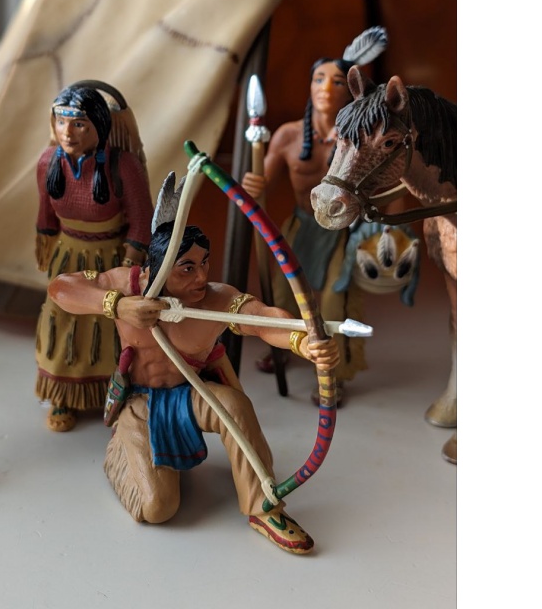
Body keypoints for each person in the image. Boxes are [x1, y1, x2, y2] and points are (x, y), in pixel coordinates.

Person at [47, 222, 340, 555]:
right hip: (140, 403)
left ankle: (263, 508)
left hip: (190, 395)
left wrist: (303, 342)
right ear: (157, 268)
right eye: (187, 268)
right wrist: (118, 305)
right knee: (158, 508)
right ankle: (124, 453)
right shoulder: (127, 285)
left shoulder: (216, 300)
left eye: (204, 263)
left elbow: (263, 319)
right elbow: (61, 288)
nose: (201, 276)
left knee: (233, 406)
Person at [241, 27, 388, 403]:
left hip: (342, 229)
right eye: (318, 79)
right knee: (283, 294)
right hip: (302, 225)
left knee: (335, 302)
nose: (325, 87)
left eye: (337, 81)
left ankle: (332, 375)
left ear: (350, 89)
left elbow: (382, 182)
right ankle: (283, 347)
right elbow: (261, 181)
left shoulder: (360, 137)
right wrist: (253, 185)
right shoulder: (288, 136)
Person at [34, 82, 153, 432]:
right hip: (66, 258)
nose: (67, 132)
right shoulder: (48, 162)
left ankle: (115, 394)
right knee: (60, 321)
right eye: (61, 122)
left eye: (79, 124)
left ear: (99, 125)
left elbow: (141, 220)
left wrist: (129, 266)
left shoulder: (124, 166)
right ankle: (63, 394)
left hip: (111, 261)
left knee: (111, 324)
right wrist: (45, 242)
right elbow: (45, 215)